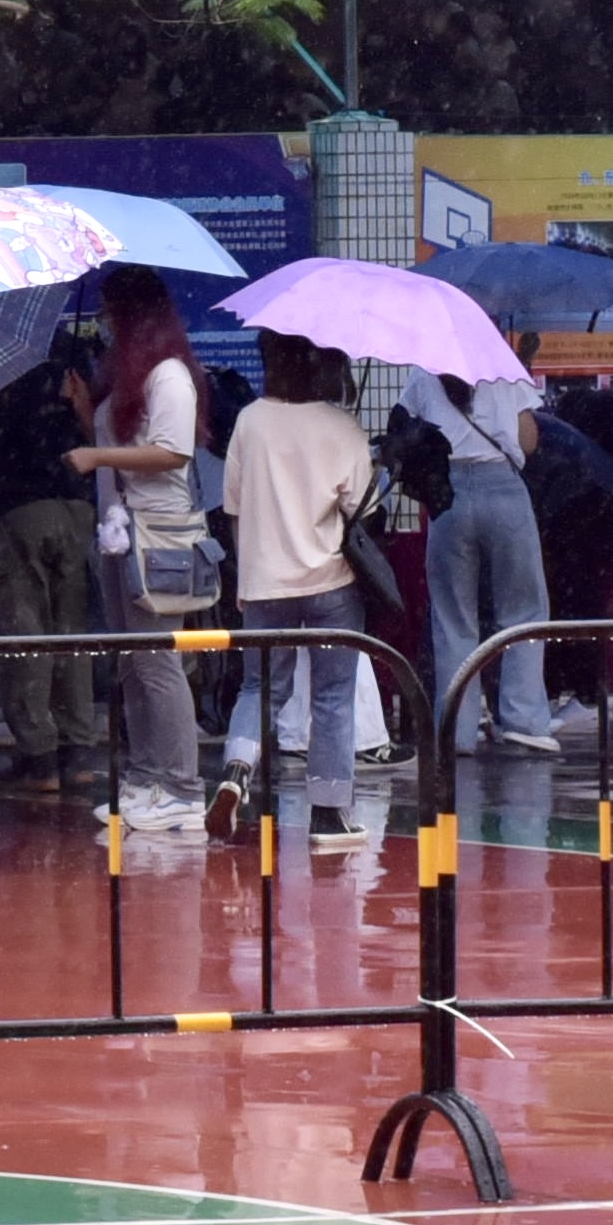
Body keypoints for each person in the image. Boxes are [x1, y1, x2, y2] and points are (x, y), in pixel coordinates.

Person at [219, 333, 382, 857]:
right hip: (332, 583)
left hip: (264, 586)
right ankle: (329, 815)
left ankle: (237, 771)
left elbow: (233, 508)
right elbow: (364, 512)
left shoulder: (250, 421)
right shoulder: (343, 426)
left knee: (258, 688)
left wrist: (246, 580)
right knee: (332, 698)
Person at [66, 268, 213, 833]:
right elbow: (124, 444)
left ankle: (181, 787)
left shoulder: (169, 375)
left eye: (111, 312)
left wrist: (96, 456)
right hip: (121, 532)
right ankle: (148, 777)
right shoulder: (132, 376)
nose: (104, 323)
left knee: (157, 661)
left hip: (156, 534)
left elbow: (172, 453)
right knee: (133, 662)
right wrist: (88, 411)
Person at [0, 329, 110, 792]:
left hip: (16, 506)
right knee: (72, 631)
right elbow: (96, 424)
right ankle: (78, 750)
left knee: (23, 631)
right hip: (76, 504)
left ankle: (39, 755)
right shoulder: (74, 350)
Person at [408, 337, 557, 756]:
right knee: (524, 609)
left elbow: (412, 432)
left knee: (453, 618)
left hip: (447, 493)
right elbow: (528, 441)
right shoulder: (502, 363)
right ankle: (524, 720)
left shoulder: (423, 371)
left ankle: (456, 729)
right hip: (504, 491)